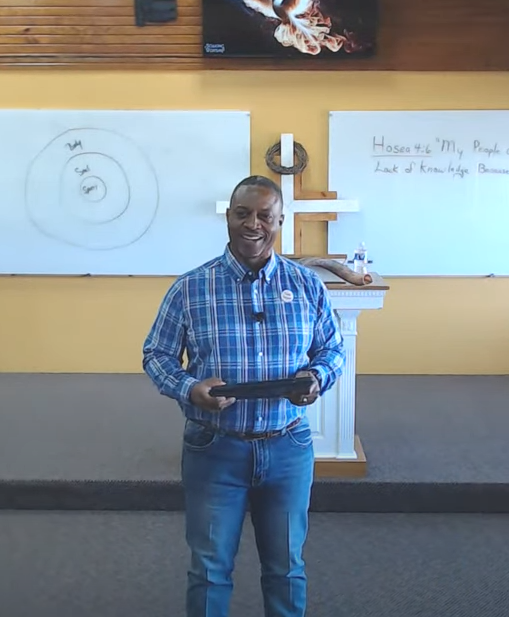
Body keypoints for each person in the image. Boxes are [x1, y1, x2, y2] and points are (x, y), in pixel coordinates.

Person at [142, 175, 345, 617]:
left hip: (288, 447)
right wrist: (188, 389)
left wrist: (317, 377)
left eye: (264, 216)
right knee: (210, 569)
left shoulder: (307, 286)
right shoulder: (191, 288)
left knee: (286, 568)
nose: (253, 224)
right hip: (215, 449)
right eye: (242, 213)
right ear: (228, 217)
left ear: (280, 222)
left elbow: (332, 348)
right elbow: (156, 354)